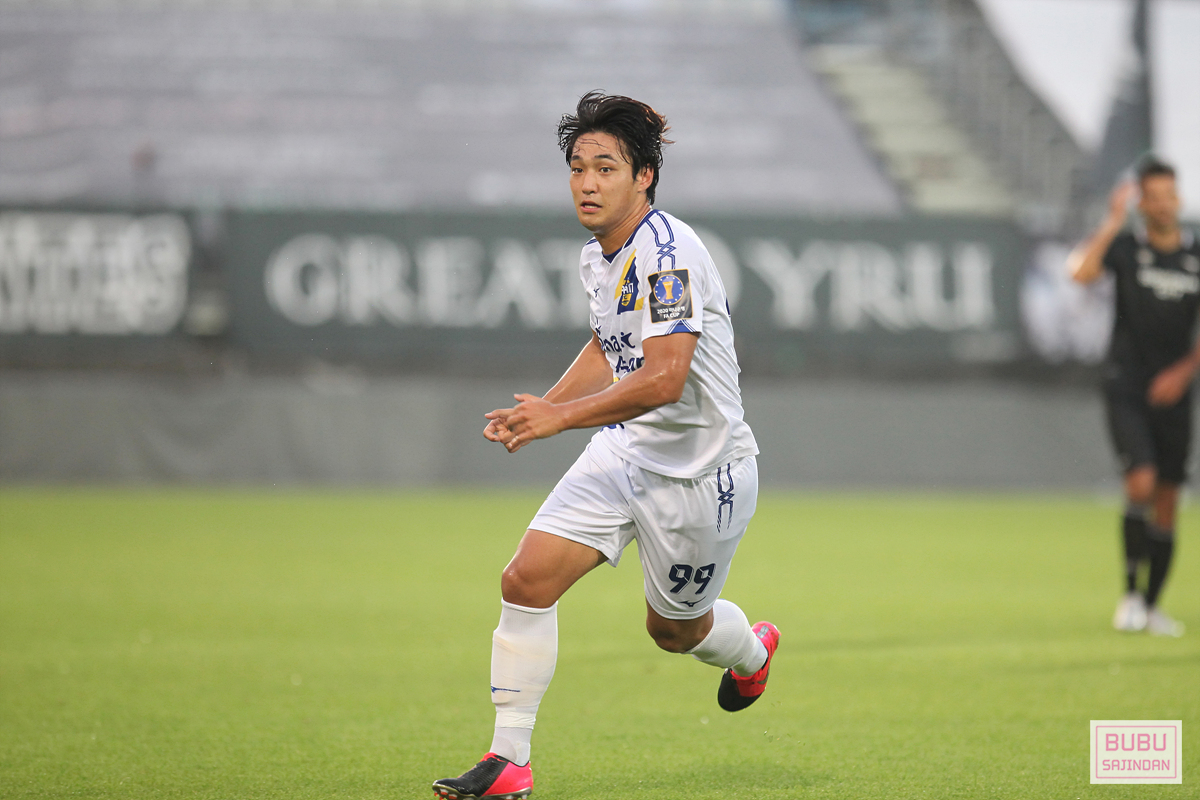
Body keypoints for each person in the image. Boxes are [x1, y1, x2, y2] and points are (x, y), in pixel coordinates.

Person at [431, 92, 779, 800]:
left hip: (701, 476)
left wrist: (561, 420)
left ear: (643, 177)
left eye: (605, 168)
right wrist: (541, 409)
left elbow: (666, 379)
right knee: (525, 581)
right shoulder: (598, 255)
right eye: (577, 168)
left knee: (674, 633)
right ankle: (509, 760)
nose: (586, 183)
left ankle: (752, 652)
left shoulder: (670, 255)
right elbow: (607, 343)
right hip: (624, 453)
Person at [1068, 156, 1199, 637]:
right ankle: (1128, 595)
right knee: (1140, 484)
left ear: (1178, 198)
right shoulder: (1126, 249)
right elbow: (1081, 273)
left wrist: (1183, 372)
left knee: (1167, 500)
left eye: (1169, 195)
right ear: (1141, 203)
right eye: (1154, 197)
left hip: (1175, 392)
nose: (1163, 205)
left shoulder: (1195, 255)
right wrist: (1111, 221)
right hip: (1127, 384)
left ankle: (1152, 604)